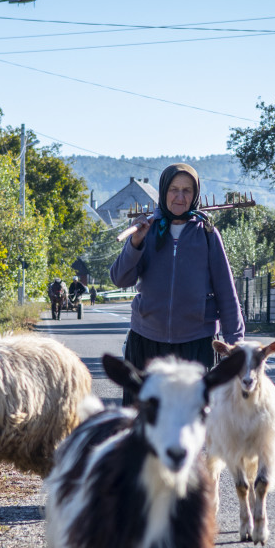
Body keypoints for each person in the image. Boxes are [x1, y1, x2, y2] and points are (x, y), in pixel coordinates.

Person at [110, 162, 244, 404]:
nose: (180, 197)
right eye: (174, 189)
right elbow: (120, 279)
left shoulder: (207, 233)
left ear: (195, 195)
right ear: (163, 192)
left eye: (187, 190)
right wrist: (135, 244)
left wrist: (235, 344)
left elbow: (226, 292)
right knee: (142, 424)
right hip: (146, 343)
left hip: (195, 345)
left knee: (189, 425)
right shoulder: (147, 231)